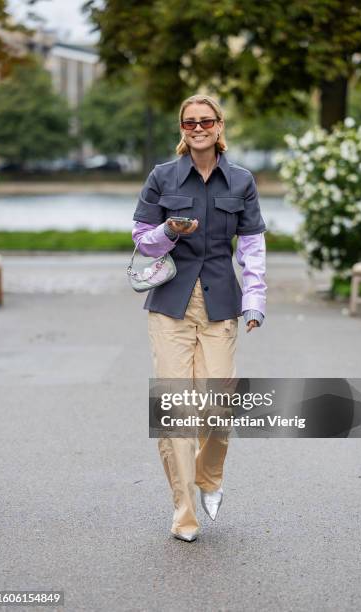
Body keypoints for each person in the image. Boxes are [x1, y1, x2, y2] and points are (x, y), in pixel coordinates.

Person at [132, 94, 267, 542]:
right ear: (181, 129)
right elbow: (141, 241)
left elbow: (251, 246)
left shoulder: (241, 181)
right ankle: (184, 512)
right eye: (189, 123)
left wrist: (256, 299)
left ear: (220, 125)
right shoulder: (162, 177)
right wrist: (168, 230)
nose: (198, 128)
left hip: (220, 306)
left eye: (205, 121)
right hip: (170, 305)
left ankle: (209, 476)